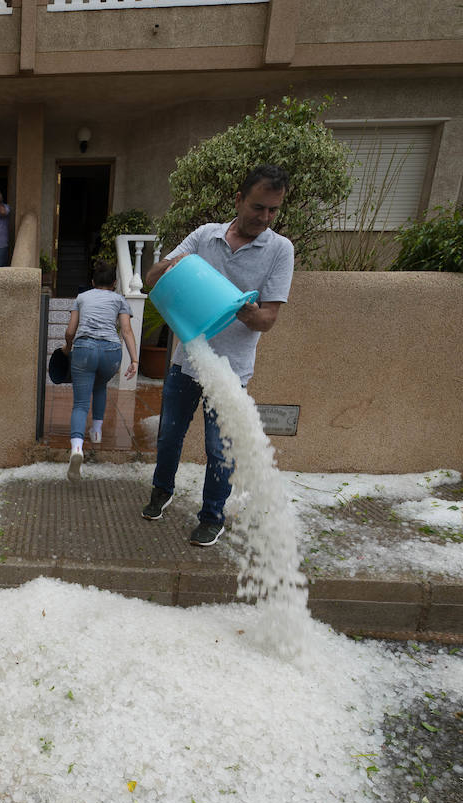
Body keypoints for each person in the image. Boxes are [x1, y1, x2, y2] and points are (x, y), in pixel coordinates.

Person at [140, 164, 294, 546]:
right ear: (239, 199)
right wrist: (172, 265)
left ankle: (212, 516)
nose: (265, 217)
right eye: (258, 207)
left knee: (218, 448)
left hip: (230, 371)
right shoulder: (205, 236)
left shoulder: (279, 250)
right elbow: (152, 280)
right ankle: (162, 490)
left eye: (274, 210)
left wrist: (238, 307)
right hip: (187, 359)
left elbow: (268, 319)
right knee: (169, 436)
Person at [63, 261, 138, 481]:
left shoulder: (82, 297)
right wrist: (134, 359)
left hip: (84, 350)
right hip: (110, 352)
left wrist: (68, 347)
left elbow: (70, 331)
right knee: (101, 386)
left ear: (92, 282)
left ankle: (77, 449)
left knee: (80, 404)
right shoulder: (119, 299)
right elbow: (126, 330)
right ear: (114, 283)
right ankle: (96, 433)